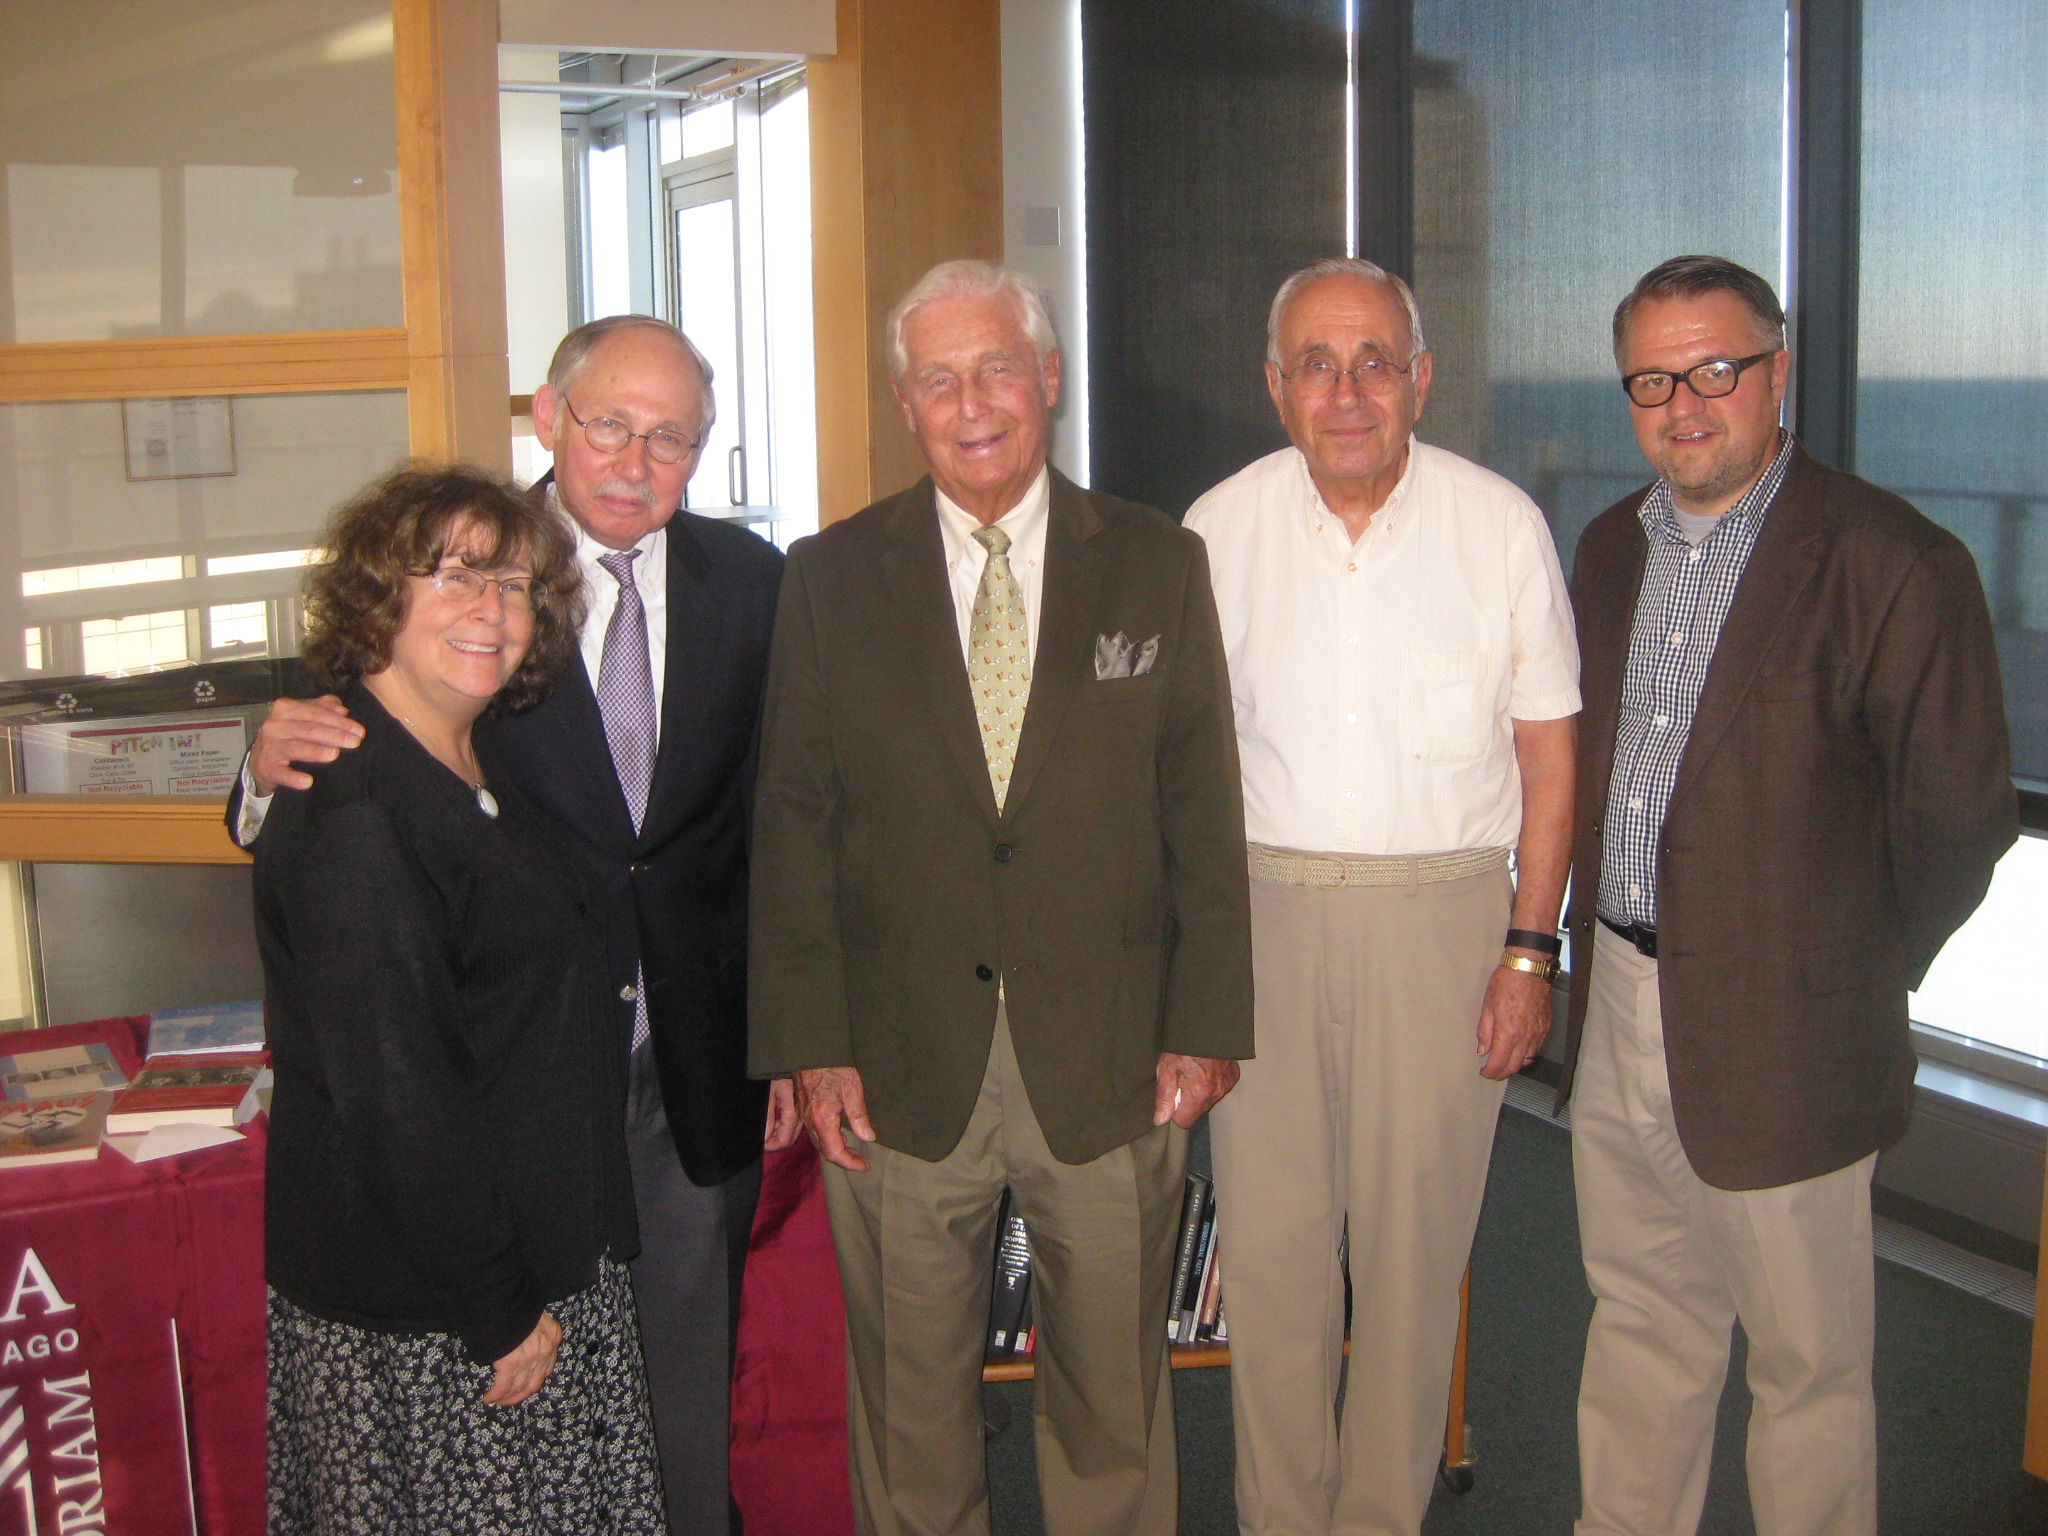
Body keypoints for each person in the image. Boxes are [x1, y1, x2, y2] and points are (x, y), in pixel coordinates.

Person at [237, 316, 795, 1536]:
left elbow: (789, 821)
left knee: (673, 1411)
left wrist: (800, 1029)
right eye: (608, 424)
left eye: (672, 438)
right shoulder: (470, 576)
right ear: (548, 418)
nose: (635, 461)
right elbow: (345, 743)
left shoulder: (752, 584)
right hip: (506, 1088)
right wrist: (260, 773)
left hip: (688, 1069)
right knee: (512, 1444)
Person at [747, 259, 1254, 1536]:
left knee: (1110, 1397)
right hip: (900, 1058)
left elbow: (1201, 810)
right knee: (910, 1404)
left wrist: (1204, 1020)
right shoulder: (825, 577)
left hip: (1112, 1051)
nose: (971, 402)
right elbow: (794, 829)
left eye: (995, 368)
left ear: (1049, 379)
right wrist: (810, 1048)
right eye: (937, 378)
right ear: (904, 404)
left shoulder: (1155, 561)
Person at [1560, 255, 2017, 1536]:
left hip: (1791, 1032)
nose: (1683, 404)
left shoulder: (1890, 562)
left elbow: (1958, 820)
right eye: (1651, 379)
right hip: (1620, 1006)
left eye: (1715, 369)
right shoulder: (1606, 549)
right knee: (1640, 1323)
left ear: (1776, 371)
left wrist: (1844, 969)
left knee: (1804, 1371)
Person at [1183, 256, 1580, 1536]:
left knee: (1412, 1269)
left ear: (1419, 378)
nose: (1344, 391)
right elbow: (1177, 768)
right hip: (1262, 924)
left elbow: (1548, 753)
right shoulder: (1214, 527)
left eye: (1372, 362)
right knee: (1277, 1258)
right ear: (1272, 386)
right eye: (1314, 363)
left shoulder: (1498, 524)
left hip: (1443, 922)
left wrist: (1530, 951)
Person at [259, 463, 662, 1533]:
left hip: (530, 1253)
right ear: (376, 598)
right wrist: (495, 1307)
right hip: (441, 1311)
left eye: (518, 585)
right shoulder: (353, 802)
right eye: (456, 578)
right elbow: (397, 1096)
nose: (493, 610)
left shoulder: (473, 755)